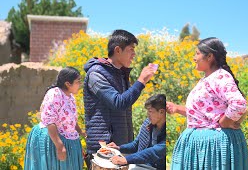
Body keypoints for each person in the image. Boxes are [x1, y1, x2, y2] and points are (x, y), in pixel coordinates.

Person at [167, 37, 248, 170]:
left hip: (213, 145)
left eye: (197, 53)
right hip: (203, 144)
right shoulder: (207, 79)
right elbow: (204, 114)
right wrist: (177, 109)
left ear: (210, 56)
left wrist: (224, 122)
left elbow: (239, 104)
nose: (194, 58)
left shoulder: (220, 77)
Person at [83, 29, 155, 167]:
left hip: (119, 147)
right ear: (117, 50)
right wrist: (141, 81)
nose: (134, 54)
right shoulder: (96, 74)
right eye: (131, 49)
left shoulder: (121, 74)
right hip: (104, 147)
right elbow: (118, 103)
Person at [24, 67, 86, 170]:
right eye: (78, 81)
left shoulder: (70, 97)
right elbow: (50, 121)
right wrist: (59, 146)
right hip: (53, 139)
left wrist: (81, 132)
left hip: (67, 139)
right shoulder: (55, 94)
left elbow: (71, 120)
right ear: (67, 84)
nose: (80, 84)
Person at [106, 94, 166, 170]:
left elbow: (153, 152)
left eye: (150, 111)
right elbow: (136, 145)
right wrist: (118, 148)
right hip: (139, 165)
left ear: (161, 112)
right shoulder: (148, 123)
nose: (148, 114)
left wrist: (126, 159)